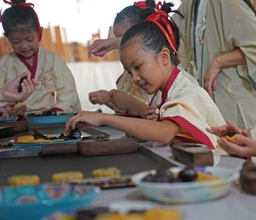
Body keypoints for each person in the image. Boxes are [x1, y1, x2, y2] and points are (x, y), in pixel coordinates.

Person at [66, 2, 226, 150]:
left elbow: (165, 133)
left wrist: (103, 119)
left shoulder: (187, 90)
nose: (134, 78)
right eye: (129, 71)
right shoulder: (169, 90)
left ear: (164, 57)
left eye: (138, 67)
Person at [173, 0, 256, 138]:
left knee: (239, 151)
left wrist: (218, 62)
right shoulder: (191, 4)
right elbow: (172, 29)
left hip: (235, 99)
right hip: (214, 98)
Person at [0, 0, 81, 116]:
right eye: (16, 42)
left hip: (47, 119)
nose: (24, 46)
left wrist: (57, 110)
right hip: (14, 122)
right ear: (7, 38)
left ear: (39, 33)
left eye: (30, 39)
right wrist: (5, 109)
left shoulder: (52, 60)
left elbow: (68, 90)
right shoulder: (3, 64)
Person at [88, 0, 161, 118]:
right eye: (117, 38)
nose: (136, 78)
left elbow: (151, 114)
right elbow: (126, 111)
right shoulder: (129, 71)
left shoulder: (152, 69)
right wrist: (107, 99)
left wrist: (110, 97)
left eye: (122, 37)